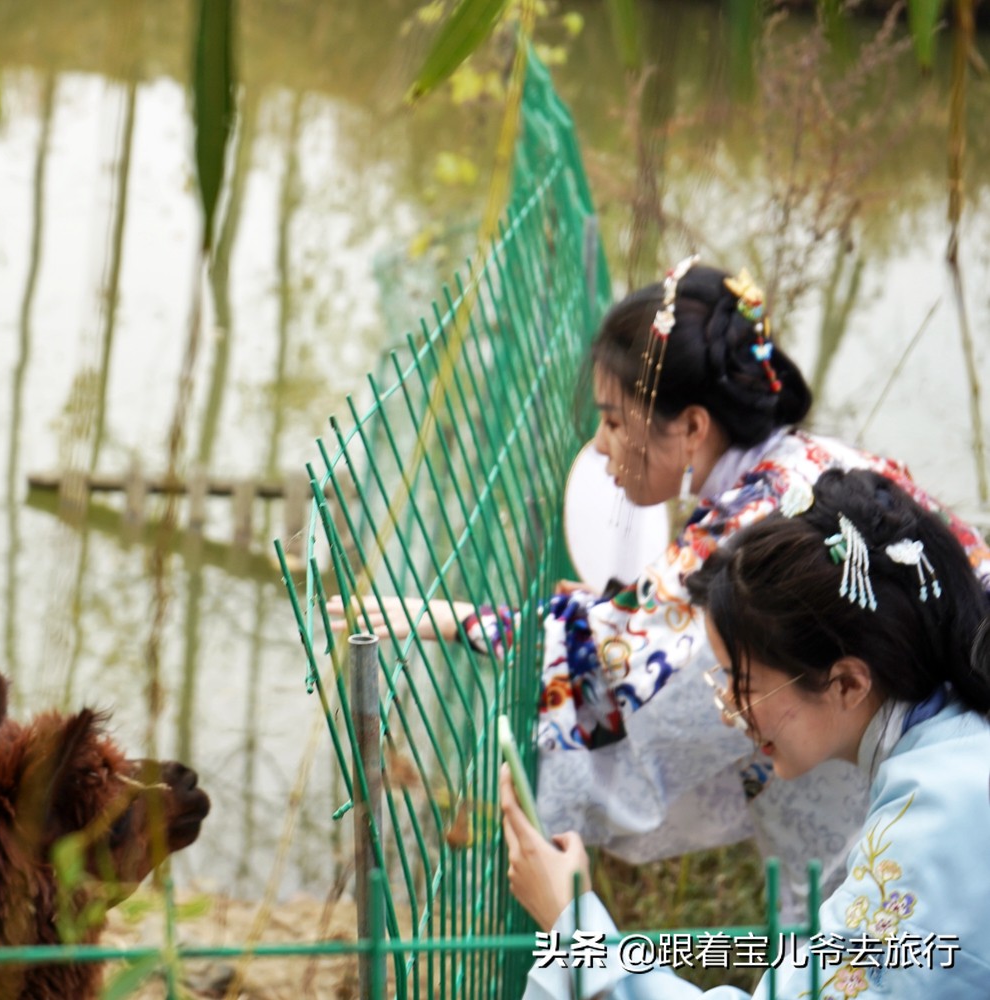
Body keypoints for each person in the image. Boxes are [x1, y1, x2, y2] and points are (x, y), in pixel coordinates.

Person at [329, 257, 990, 912]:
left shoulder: (754, 543)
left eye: (615, 421)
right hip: (927, 758)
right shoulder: (795, 471)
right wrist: (468, 621)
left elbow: (640, 676)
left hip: (922, 826)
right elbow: (647, 626)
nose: (598, 445)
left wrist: (532, 797)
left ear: (693, 427)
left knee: (840, 935)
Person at [503, 467, 990, 998]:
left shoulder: (937, 826)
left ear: (847, 683)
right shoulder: (953, 743)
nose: (730, 710)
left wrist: (574, 930)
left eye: (745, 683)